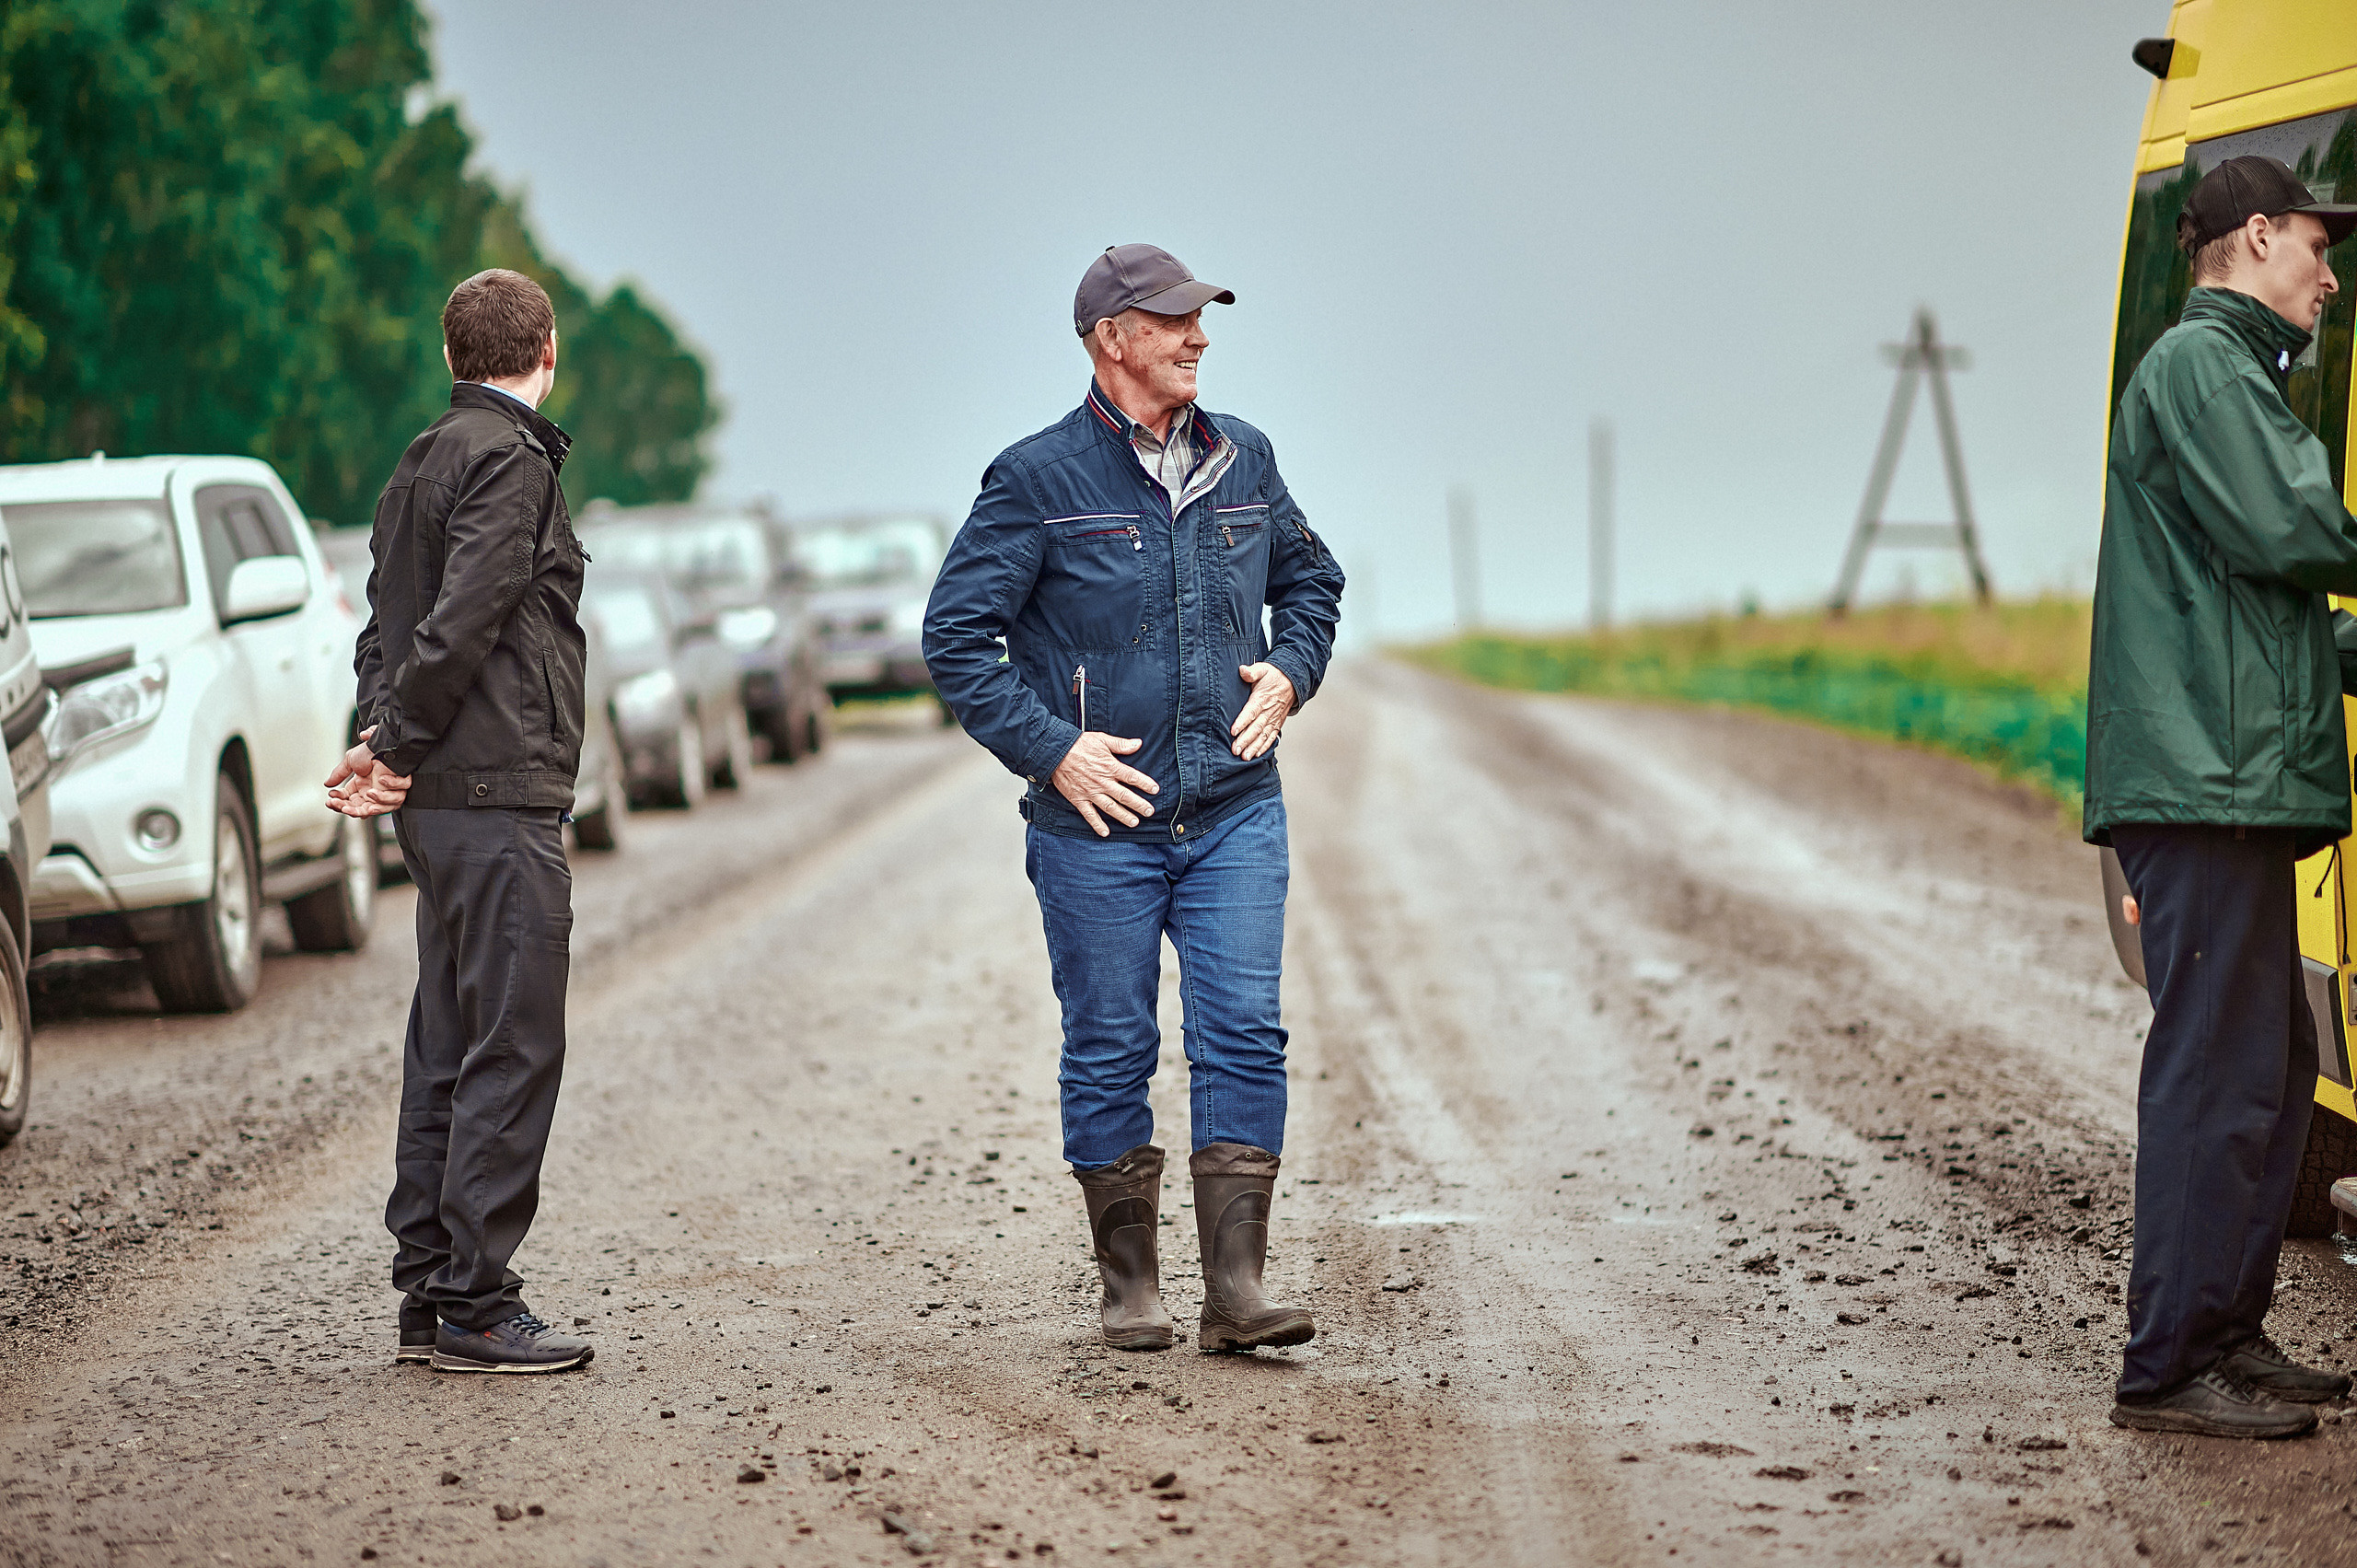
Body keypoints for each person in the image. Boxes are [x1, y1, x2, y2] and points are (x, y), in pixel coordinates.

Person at [923, 244, 1345, 1353]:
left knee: (1244, 1030)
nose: (1198, 336)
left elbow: (1313, 581)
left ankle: (1238, 1291)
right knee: (1111, 1041)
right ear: (1113, 338)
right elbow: (955, 638)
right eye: (1173, 320)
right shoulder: (1035, 479)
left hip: (1235, 806)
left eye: (1201, 318)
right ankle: (1130, 1285)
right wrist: (1051, 750)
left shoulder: (1244, 458)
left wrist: (1291, 671)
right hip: (1096, 824)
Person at [2086, 156, 2357, 1437]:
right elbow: (2295, 529)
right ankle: (2167, 1362)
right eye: (2316, 244)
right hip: (2198, 783)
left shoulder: (2228, 374)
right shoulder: (2205, 366)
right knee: (2212, 1070)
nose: (2329, 271)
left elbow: (2269, 608)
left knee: (2272, 1060)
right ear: (2257, 236)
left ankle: (2227, 1332)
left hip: (2226, 773)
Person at [327, 267, 596, 1375]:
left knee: (446, 1035)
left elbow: (384, 628)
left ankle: (427, 1294)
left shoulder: (419, 460)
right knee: (511, 1039)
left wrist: (383, 741)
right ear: (547, 349)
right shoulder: (509, 458)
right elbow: (467, 616)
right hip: (493, 794)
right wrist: (391, 746)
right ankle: (476, 1304)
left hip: (442, 801)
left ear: (451, 356)